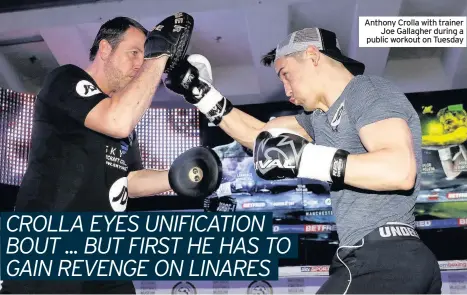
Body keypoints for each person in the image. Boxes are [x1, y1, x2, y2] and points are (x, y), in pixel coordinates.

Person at [164, 27, 442, 294]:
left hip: (383, 258)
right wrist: (199, 91)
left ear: (312, 55)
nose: (286, 89)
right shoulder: (317, 120)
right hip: (387, 260)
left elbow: (399, 170)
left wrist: (307, 158)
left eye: (286, 74)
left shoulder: (366, 91)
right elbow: (257, 136)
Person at [1, 13, 193, 294]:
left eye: (145, 55)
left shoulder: (123, 121)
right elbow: (115, 121)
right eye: (134, 53)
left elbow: (127, 182)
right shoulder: (66, 79)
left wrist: (183, 175)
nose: (140, 63)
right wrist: (159, 55)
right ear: (105, 49)